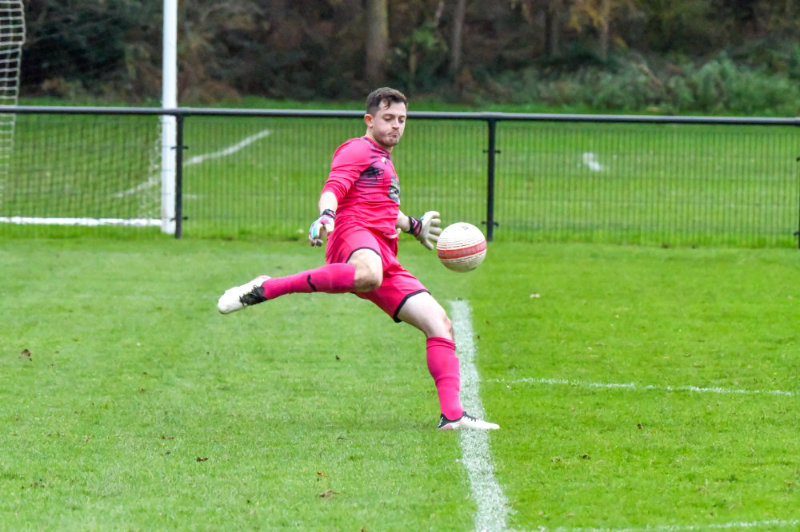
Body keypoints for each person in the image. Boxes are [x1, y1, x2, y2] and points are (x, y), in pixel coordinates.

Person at [217, 87, 499, 431]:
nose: (396, 126)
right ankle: (269, 286)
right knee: (368, 273)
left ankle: (452, 416)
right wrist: (326, 216)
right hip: (353, 234)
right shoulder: (358, 149)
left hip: (384, 252)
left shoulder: (384, 161)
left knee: (439, 323)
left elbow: (384, 207)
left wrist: (414, 226)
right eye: (388, 118)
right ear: (369, 120)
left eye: (402, 119)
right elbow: (334, 188)